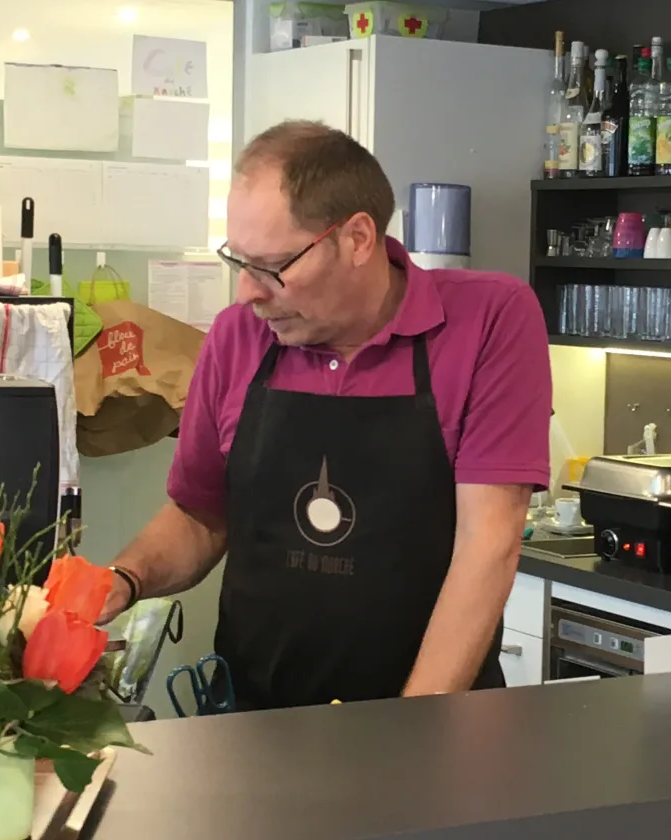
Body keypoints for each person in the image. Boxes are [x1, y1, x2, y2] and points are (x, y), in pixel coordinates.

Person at [97, 121, 552, 709]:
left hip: (423, 721)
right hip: (248, 719)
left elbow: (487, 544)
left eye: (270, 267)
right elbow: (202, 514)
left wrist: (412, 729)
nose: (245, 294)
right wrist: (123, 579)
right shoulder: (239, 337)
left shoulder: (489, 319)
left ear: (358, 239)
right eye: (238, 262)